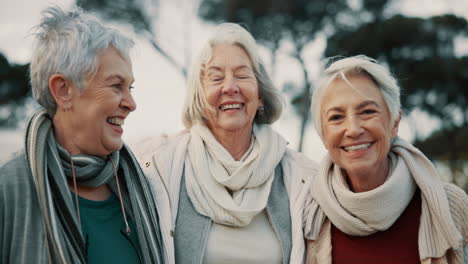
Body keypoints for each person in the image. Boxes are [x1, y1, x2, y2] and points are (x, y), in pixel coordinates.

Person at [135, 23, 318, 264]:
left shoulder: (301, 177)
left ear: (260, 95)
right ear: (200, 96)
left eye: (242, 75)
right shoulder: (158, 165)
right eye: (216, 77)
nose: (230, 87)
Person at [0, 6, 164, 264]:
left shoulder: (141, 190)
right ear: (63, 90)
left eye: (130, 87)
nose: (132, 103)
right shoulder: (8, 192)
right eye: (116, 85)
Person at [304, 55, 468, 264]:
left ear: (395, 123)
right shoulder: (308, 215)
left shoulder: (452, 206)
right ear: (323, 135)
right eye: (336, 117)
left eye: (368, 112)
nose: (353, 130)